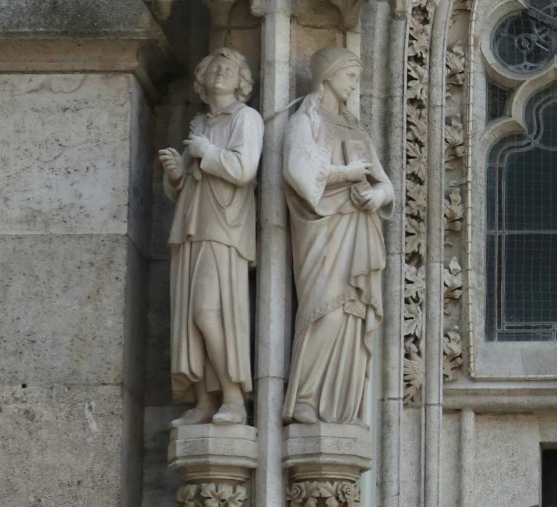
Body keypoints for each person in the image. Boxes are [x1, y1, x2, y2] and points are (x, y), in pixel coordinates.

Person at [283, 46, 394, 426]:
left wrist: (378, 194)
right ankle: (306, 398)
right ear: (328, 75)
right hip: (323, 230)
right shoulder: (306, 121)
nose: (353, 85)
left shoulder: (354, 126)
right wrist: (346, 174)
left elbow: (385, 184)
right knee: (325, 313)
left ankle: (344, 406)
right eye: (349, 76)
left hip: (358, 227)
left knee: (351, 313)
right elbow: (298, 172)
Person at [160, 48, 263, 425]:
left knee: (209, 310)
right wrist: (175, 174)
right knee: (191, 315)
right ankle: (206, 399)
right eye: (213, 67)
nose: (220, 72)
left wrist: (207, 153)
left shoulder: (245, 118)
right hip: (192, 224)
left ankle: (234, 396)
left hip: (225, 227)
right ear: (201, 79)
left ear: (241, 81)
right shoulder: (200, 123)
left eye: (229, 68)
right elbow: (188, 182)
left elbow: (243, 168)